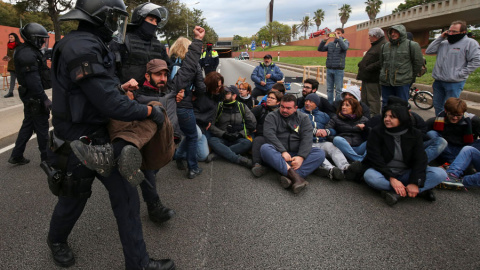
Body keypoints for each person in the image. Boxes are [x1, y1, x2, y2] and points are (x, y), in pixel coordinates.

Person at [46, 1, 178, 268]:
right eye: (115, 18)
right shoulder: (81, 46)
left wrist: (121, 89)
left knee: (127, 198)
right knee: (73, 196)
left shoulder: (91, 42)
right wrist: (148, 112)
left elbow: (98, 91)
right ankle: (56, 240)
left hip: (102, 136)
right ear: (102, 17)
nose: (118, 24)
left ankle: (138, 263)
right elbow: (109, 102)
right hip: (77, 139)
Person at [363, 103, 447, 206]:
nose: (387, 119)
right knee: (370, 176)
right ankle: (418, 190)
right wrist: (391, 178)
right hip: (384, 173)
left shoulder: (414, 134)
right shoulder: (377, 132)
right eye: (385, 116)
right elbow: (375, 158)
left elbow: (420, 159)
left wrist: (415, 182)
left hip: (406, 172)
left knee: (440, 173)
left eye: (392, 117)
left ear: (402, 118)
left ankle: (397, 193)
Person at [261, 94, 325, 194]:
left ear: (295, 108)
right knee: (265, 148)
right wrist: (282, 151)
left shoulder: (303, 118)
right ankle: (297, 177)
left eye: (288, 108)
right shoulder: (272, 116)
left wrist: (301, 157)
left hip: (296, 153)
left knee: (319, 153)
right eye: (282, 107)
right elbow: (269, 135)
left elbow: (307, 138)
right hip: (279, 154)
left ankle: (289, 175)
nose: (284, 110)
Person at [7, 23, 50, 166]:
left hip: (29, 95)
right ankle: (47, 158)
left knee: (28, 125)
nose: (43, 42)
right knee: (42, 127)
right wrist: (44, 98)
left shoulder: (28, 50)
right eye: (40, 39)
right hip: (34, 96)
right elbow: (33, 80)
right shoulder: (27, 54)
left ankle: (16, 155)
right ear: (32, 38)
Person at [169, 36, 206, 179]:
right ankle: (193, 167)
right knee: (192, 135)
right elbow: (201, 87)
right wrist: (193, 95)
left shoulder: (170, 62)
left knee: (178, 134)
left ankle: (176, 156)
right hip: (185, 105)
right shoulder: (192, 65)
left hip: (168, 104)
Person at [425, 20, 480, 116]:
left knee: (452, 108)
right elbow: (429, 51)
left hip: (454, 82)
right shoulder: (444, 43)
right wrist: (440, 38)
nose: (450, 33)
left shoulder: (470, 43)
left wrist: (460, 74)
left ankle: (450, 127)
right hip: (438, 81)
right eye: (449, 31)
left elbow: (476, 61)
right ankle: (440, 124)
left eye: (454, 31)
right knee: (438, 105)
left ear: (463, 32)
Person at [110, 2, 169, 87]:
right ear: (140, 20)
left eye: (156, 21)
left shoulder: (159, 46)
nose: (154, 24)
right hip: (127, 94)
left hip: (153, 95)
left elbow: (167, 71)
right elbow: (111, 72)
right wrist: (121, 89)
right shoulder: (122, 41)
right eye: (151, 20)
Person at [299, 93, 354, 181]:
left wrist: (326, 131)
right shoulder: (299, 113)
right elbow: (297, 128)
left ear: (316, 104)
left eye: (311, 101)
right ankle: (331, 170)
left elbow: (333, 129)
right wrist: (314, 131)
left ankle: (346, 168)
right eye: (306, 101)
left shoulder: (324, 116)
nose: (307, 103)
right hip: (307, 142)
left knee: (333, 148)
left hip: (323, 141)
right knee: (318, 155)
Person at [176, 71, 225, 168]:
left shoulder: (218, 94)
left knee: (203, 156)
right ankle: (178, 155)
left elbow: (214, 110)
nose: (219, 88)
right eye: (217, 86)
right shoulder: (198, 93)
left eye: (220, 86)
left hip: (202, 127)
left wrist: (210, 120)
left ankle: (178, 154)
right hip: (191, 122)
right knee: (196, 135)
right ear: (210, 85)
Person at [208, 85, 256, 168]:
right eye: (223, 92)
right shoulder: (218, 106)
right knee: (212, 140)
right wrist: (223, 134)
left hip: (237, 138)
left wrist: (240, 134)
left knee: (247, 143)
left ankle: (218, 154)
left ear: (234, 96)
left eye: (227, 93)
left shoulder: (242, 107)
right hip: (222, 138)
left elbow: (252, 124)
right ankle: (239, 159)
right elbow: (210, 125)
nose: (224, 94)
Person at [379, 24, 423, 108]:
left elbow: (418, 63)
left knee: (401, 106)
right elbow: (382, 63)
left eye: (396, 32)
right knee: (386, 104)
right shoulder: (384, 47)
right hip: (386, 82)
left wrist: (409, 76)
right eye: (391, 32)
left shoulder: (412, 45)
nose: (393, 34)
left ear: (402, 33)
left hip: (402, 82)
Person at [426, 97, 480, 164]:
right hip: (445, 148)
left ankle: (457, 161)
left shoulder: (473, 121)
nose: (455, 118)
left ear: (463, 113)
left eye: (458, 115)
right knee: (432, 134)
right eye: (452, 114)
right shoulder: (434, 121)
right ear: (446, 111)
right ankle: (454, 161)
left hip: (464, 148)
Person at [325, 98, 369, 162]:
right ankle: (359, 160)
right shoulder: (336, 118)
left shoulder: (363, 119)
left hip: (358, 147)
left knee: (372, 140)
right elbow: (327, 131)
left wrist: (366, 128)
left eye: (347, 105)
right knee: (337, 139)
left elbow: (372, 132)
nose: (343, 107)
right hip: (344, 147)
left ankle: (361, 158)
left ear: (354, 108)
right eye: (343, 105)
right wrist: (343, 142)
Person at [250, 90, 282, 177]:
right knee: (257, 141)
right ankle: (256, 164)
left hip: (276, 137)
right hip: (262, 135)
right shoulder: (261, 108)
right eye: (268, 97)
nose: (269, 99)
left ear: (278, 102)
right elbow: (247, 116)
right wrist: (252, 127)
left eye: (272, 98)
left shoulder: (281, 112)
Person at [356, 27, 387, 117]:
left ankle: (374, 117)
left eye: (370, 35)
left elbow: (382, 61)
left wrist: (369, 67)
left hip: (373, 78)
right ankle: (365, 116)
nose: (368, 37)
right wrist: (361, 64)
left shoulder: (383, 45)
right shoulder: (376, 44)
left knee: (372, 99)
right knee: (364, 99)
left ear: (375, 36)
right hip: (367, 77)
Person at [318, 28, 349, 103]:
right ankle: (329, 104)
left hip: (339, 69)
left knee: (338, 90)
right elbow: (320, 49)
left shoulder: (345, 42)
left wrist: (339, 39)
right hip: (329, 69)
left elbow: (345, 48)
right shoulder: (331, 44)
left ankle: (337, 105)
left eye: (339, 33)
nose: (336, 34)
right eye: (335, 33)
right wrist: (325, 40)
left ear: (342, 34)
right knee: (329, 89)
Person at [3, 33, 22, 98]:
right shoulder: (9, 45)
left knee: (22, 79)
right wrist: (6, 57)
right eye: (9, 37)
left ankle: (25, 91)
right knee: (12, 80)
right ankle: (11, 92)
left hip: (18, 65)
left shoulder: (19, 45)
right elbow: (9, 55)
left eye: (11, 37)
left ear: (15, 38)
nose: (10, 38)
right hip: (11, 65)